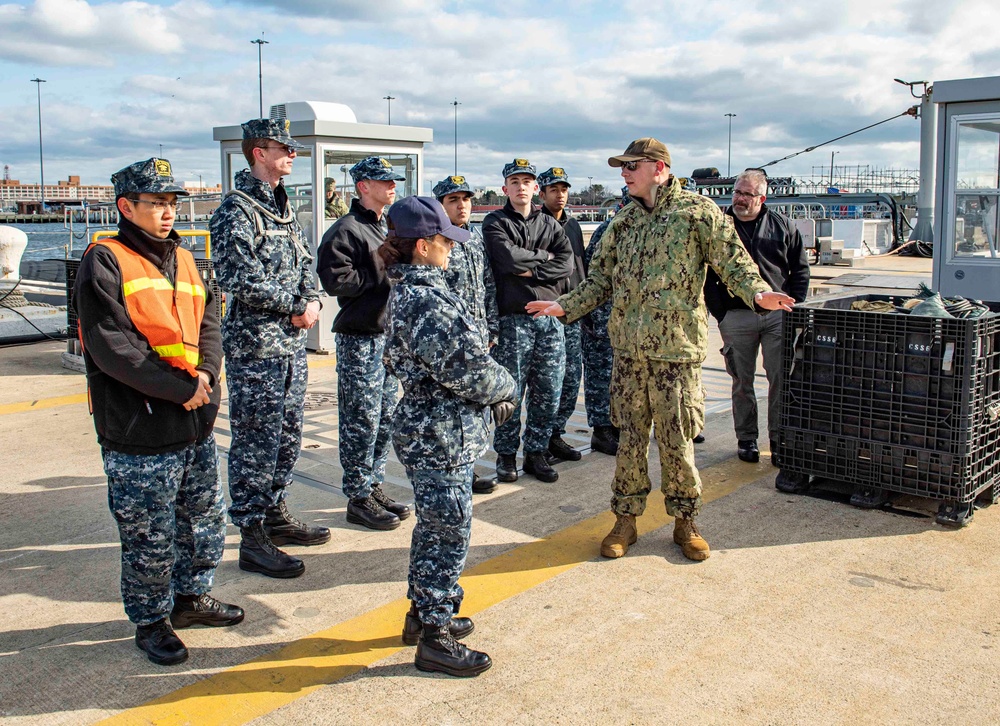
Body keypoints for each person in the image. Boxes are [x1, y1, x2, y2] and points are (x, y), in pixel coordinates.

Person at [526, 138, 794, 561]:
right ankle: (625, 520)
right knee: (630, 441)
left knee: (678, 441)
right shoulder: (622, 222)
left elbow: (733, 261)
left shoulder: (697, 213)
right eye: (623, 166)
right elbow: (600, 281)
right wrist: (565, 305)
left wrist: (758, 292)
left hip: (677, 354)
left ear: (659, 168)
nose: (624, 173)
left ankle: (685, 522)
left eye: (632, 166)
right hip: (630, 355)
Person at [75, 158, 243, 666]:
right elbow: (112, 346)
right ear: (127, 206)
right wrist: (180, 388)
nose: (168, 213)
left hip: (194, 419)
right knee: (149, 533)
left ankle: (190, 598)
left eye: (173, 203)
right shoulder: (105, 260)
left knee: (201, 519)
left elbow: (209, 319)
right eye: (157, 203)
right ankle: (151, 619)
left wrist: (208, 376)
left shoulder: (186, 258)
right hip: (140, 426)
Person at [381, 196, 516, 677]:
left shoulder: (417, 291)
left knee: (435, 526)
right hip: (440, 433)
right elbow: (470, 371)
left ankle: (423, 615)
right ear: (422, 246)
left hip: (436, 428)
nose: (451, 250)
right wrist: (507, 386)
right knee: (448, 531)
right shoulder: (426, 299)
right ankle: (435, 637)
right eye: (444, 241)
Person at [211, 118, 330, 580]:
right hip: (257, 346)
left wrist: (312, 300)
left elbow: (305, 262)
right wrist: (295, 307)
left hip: (290, 343)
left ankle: (275, 511)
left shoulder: (283, 208)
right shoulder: (236, 211)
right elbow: (239, 277)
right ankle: (252, 533)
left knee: (286, 435)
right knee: (256, 441)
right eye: (284, 148)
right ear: (258, 152)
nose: (293, 154)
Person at [317, 156, 412, 529]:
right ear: (363, 187)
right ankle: (357, 496)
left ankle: (372, 485)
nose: (392, 186)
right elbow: (337, 282)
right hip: (361, 339)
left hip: (387, 338)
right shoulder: (347, 230)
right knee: (361, 419)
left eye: (393, 181)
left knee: (384, 417)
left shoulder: (385, 225)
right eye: (383, 181)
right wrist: (381, 263)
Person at [704, 168, 810, 466]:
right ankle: (746, 438)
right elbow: (706, 272)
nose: (739, 199)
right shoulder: (720, 226)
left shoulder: (783, 227)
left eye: (747, 194)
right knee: (741, 380)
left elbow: (799, 270)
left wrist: (794, 307)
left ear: (762, 197)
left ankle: (778, 439)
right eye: (737, 192)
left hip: (777, 316)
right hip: (736, 316)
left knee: (780, 379)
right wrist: (721, 314)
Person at [483, 158, 574, 483]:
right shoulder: (495, 222)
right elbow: (506, 258)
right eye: (515, 182)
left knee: (548, 388)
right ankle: (506, 456)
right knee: (511, 391)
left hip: (549, 320)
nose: (521, 187)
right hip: (513, 321)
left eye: (527, 182)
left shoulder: (550, 224)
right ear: (505, 188)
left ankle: (536, 452)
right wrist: (544, 258)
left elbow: (567, 265)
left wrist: (531, 268)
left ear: (536, 188)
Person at [432, 174, 501, 494]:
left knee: (474, 411)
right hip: (451, 343)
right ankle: (446, 471)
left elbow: (487, 285)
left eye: (466, 199)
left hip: (479, 338)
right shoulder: (436, 241)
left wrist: (492, 328)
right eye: (453, 200)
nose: (462, 206)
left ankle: (467, 470)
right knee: (448, 411)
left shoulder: (474, 238)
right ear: (441, 205)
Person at [537, 167, 586, 465]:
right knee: (546, 384)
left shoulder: (574, 226)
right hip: (548, 312)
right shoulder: (536, 225)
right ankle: (539, 441)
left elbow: (581, 267)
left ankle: (556, 434)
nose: (560, 194)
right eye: (554, 189)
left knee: (570, 379)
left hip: (574, 312)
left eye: (564, 188)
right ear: (541, 194)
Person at [580, 186, 629, 456]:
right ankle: (601, 430)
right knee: (601, 375)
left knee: (621, 376)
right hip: (602, 316)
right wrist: (593, 314)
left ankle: (618, 425)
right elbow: (592, 273)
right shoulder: (609, 229)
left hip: (626, 319)